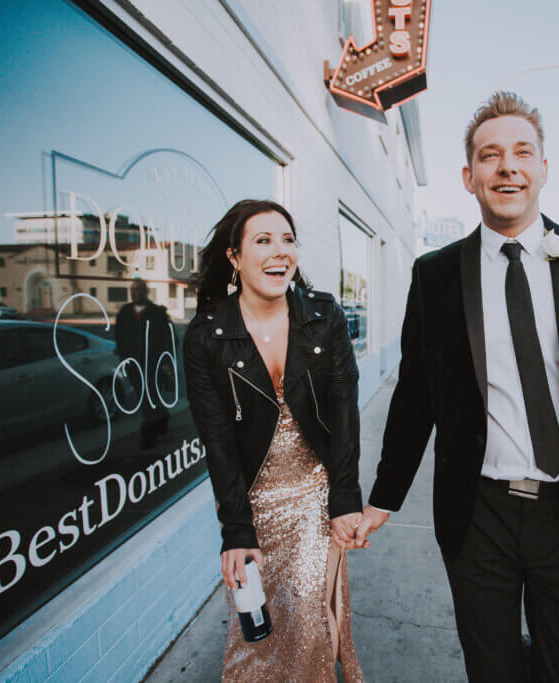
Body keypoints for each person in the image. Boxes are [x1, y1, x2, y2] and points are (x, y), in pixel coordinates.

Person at [354, 92, 559, 681]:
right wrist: (385, 496)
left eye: (521, 152)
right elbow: (415, 396)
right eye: (489, 156)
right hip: (477, 513)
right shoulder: (434, 275)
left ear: (542, 169)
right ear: (469, 176)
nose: (506, 166)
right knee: (493, 671)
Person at [183, 199, 365, 682]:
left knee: (311, 620)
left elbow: (345, 413)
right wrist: (236, 530)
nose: (279, 251)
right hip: (253, 503)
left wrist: (345, 498)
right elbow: (217, 439)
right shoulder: (208, 336)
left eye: (287, 239)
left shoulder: (323, 316)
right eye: (262, 240)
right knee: (255, 632)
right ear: (234, 258)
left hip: (314, 493)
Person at [115, 278, 173, 449]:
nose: (135, 293)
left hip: (153, 364)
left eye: (138, 290)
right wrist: (123, 359)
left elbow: (167, 338)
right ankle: (162, 418)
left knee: (149, 398)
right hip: (133, 365)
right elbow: (119, 337)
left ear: (145, 292)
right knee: (146, 397)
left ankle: (149, 435)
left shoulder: (156, 312)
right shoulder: (125, 312)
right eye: (132, 290)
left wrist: (166, 361)